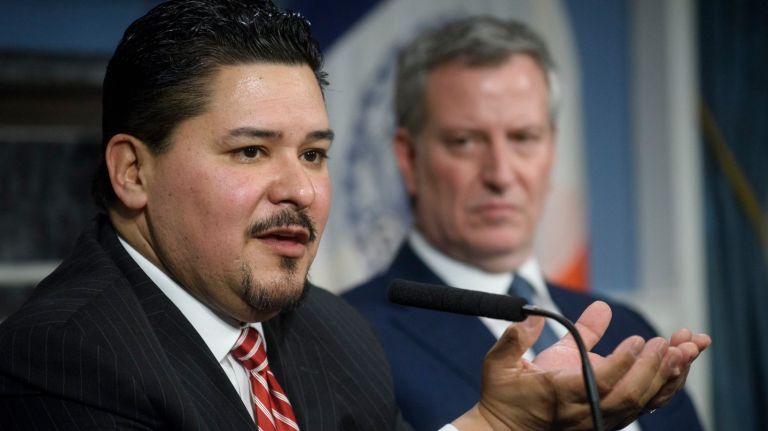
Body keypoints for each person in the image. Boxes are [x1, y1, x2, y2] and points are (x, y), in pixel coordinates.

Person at [0, 2, 707, 430]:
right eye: (251, 151)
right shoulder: (59, 357)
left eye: (313, 154)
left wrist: (495, 423)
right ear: (133, 172)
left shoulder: (330, 332)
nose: (300, 189)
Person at [343, 16, 709, 431]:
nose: (501, 174)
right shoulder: (345, 337)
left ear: (551, 151)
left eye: (523, 138)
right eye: (465, 141)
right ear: (409, 159)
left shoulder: (627, 331)